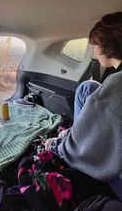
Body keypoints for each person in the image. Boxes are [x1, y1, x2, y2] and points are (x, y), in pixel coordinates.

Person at [18, 12, 122, 210]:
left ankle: (73, 134)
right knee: (87, 88)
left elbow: (79, 147)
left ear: (105, 47)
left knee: (30, 165)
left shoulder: (116, 85)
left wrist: (54, 145)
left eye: (95, 45)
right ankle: (75, 130)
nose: (93, 51)